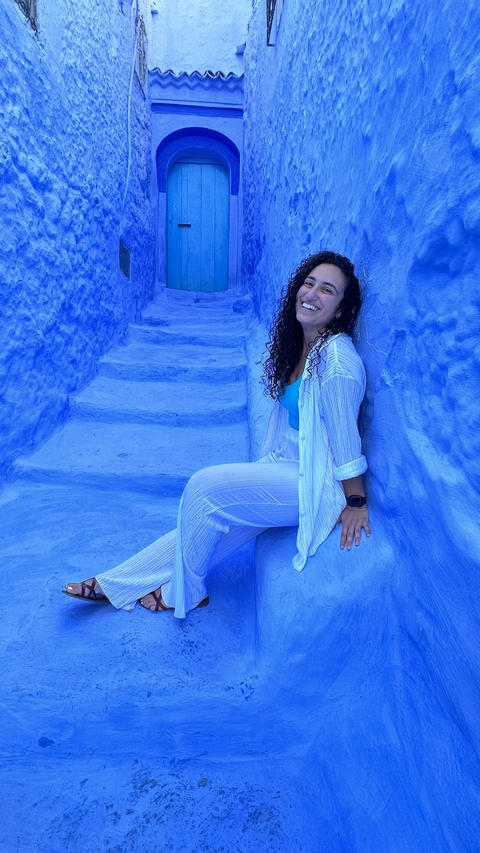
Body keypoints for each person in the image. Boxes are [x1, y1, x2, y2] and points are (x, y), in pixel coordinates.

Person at [64, 250, 370, 618]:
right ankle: (116, 583)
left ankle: (187, 592)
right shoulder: (303, 345)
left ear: (339, 310)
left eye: (327, 290)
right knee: (204, 519)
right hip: (287, 465)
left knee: (203, 489)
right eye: (308, 283)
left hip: (315, 482)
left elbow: (346, 443)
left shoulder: (337, 361)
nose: (311, 294)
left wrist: (355, 503)